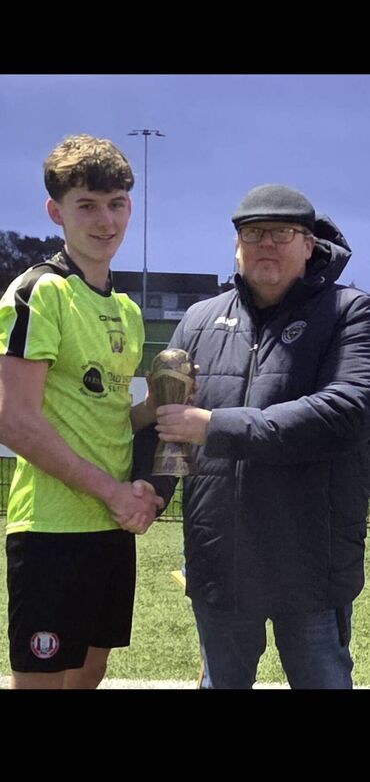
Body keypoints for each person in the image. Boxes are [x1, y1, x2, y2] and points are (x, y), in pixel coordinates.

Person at [155, 183, 370, 689]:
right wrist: (151, 494)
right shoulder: (200, 319)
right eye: (253, 233)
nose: (266, 243)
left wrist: (214, 426)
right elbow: (170, 425)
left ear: (309, 243)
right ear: (236, 245)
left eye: (281, 232)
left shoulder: (350, 312)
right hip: (220, 556)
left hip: (313, 558)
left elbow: (344, 411)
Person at [0, 133, 167, 690]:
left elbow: (111, 415)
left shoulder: (126, 309)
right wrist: (113, 491)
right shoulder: (38, 292)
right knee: (46, 680)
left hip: (111, 525)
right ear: (56, 211)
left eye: (116, 203)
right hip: (51, 528)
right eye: (87, 205)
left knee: (91, 671)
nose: (105, 221)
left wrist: (161, 408)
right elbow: (13, 420)